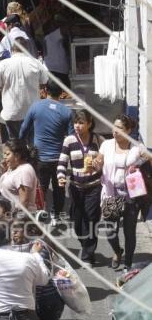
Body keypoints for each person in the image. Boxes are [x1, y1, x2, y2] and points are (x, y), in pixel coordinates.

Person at [92, 115, 152, 271]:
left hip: (131, 197)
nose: (115, 131)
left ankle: (128, 263)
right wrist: (96, 164)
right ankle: (118, 251)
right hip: (110, 194)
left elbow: (150, 163)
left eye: (120, 128)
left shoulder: (137, 147)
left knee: (129, 231)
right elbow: (99, 164)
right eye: (114, 127)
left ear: (128, 130)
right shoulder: (106, 144)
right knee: (110, 231)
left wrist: (148, 159)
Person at [20, 80, 74, 221]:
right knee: (59, 189)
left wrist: (24, 146)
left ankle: (40, 215)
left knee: (41, 188)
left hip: (40, 158)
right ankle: (56, 216)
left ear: (45, 91)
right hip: (59, 159)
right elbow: (72, 137)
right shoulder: (66, 112)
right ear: (61, 93)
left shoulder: (35, 107)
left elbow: (23, 130)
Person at [57, 110, 103, 266]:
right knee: (77, 221)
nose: (77, 125)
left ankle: (87, 256)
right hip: (76, 187)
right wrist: (61, 177)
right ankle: (86, 246)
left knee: (91, 219)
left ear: (89, 124)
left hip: (94, 187)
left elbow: (105, 161)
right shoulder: (69, 140)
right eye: (76, 122)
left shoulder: (98, 140)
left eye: (81, 122)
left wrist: (99, 163)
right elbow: (62, 162)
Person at [0, 37, 48, 139]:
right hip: (32, 112)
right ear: (26, 49)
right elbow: (44, 84)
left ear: (12, 49)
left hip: (12, 112)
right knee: (32, 143)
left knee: (15, 144)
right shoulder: (36, 63)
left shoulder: (3, 64)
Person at [0, 139, 38, 212]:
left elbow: (24, 201)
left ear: (17, 155)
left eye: (7, 154)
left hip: (18, 217)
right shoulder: (13, 167)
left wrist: (17, 220)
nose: (4, 157)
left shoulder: (24, 172)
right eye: (3, 154)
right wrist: (4, 170)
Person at [42, 14, 71, 88]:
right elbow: (64, 29)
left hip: (53, 70)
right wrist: (66, 21)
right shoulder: (52, 36)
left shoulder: (47, 38)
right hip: (58, 72)